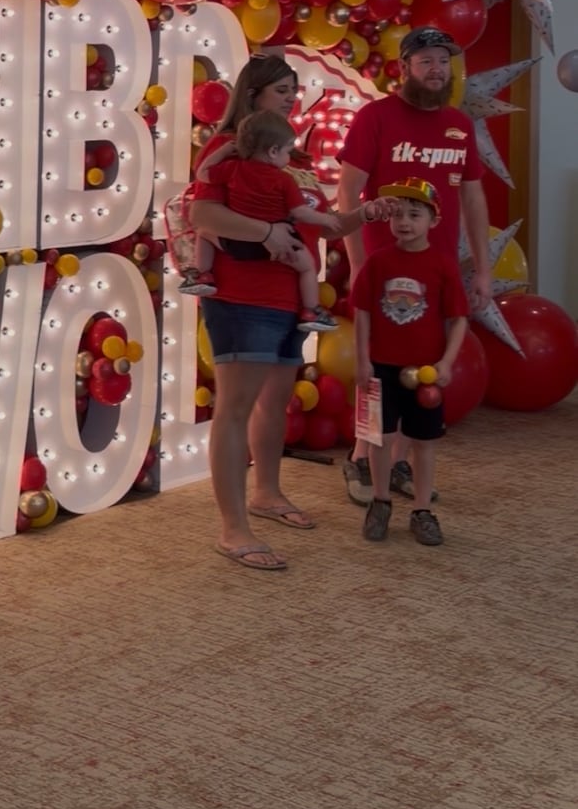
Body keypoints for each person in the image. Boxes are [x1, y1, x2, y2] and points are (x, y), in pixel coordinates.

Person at [189, 53, 385, 572]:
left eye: (294, 91)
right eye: (282, 90)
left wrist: (360, 215)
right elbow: (202, 213)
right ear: (253, 94)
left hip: (290, 298)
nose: (292, 98)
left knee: (274, 403)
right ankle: (233, 529)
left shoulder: (289, 158)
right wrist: (268, 234)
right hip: (242, 294)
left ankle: (267, 493)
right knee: (234, 406)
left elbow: (316, 219)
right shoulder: (226, 149)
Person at [336, 26, 491, 507]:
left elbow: (472, 196)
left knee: (420, 368)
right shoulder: (375, 117)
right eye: (425, 61)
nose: (435, 69)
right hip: (383, 271)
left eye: (442, 61)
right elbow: (348, 191)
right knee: (376, 370)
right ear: (404, 68)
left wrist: (482, 268)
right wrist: (360, 262)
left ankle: (398, 462)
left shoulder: (458, 126)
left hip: (436, 271)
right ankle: (362, 456)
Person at [352, 178, 468, 546]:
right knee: (379, 439)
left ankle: (421, 509)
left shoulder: (442, 266)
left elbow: (458, 319)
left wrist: (447, 363)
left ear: (433, 221)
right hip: (381, 368)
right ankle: (381, 501)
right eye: (398, 214)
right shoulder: (378, 262)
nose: (404, 221)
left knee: (424, 442)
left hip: (425, 372)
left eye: (415, 214)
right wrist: (362, 361)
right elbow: (363, 313)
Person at [211, 109, 342, 333]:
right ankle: (311, 310)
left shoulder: (232, 168)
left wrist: (222, 152)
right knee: (308, 268)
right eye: (288, 152)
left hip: (238, 244)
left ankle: (201, 274)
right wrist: (326, 218)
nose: (289, 158)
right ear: (273, 151)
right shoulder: (284, 179)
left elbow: (203, 172)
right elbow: (301, 212)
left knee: (204, 232)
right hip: (280, 243)